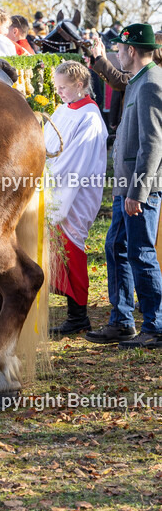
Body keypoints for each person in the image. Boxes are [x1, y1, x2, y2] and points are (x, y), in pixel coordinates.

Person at [85, 24, 162, 349]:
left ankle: (156, 326)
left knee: (141, 254)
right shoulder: (140, 79)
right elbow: (118, 79)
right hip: (125, 189)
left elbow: (153, 144)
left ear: (131, 50)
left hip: (137, 191)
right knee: (116, 248)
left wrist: (138, 193)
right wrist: (100, 58)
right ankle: (122, 322)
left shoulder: (150, 84)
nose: (118, 53)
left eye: (119, 49)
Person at [45, 61, 108, 336]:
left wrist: (47, 175)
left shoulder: (90, 118)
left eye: (64, 87)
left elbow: (76, 160)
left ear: (80, 85)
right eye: (57, 87)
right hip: (56, 181)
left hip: (77, 189)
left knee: (72, 248)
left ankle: (79, 315)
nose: (59, 92)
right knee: (58, 243)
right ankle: (74, 313)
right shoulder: (63, 109)